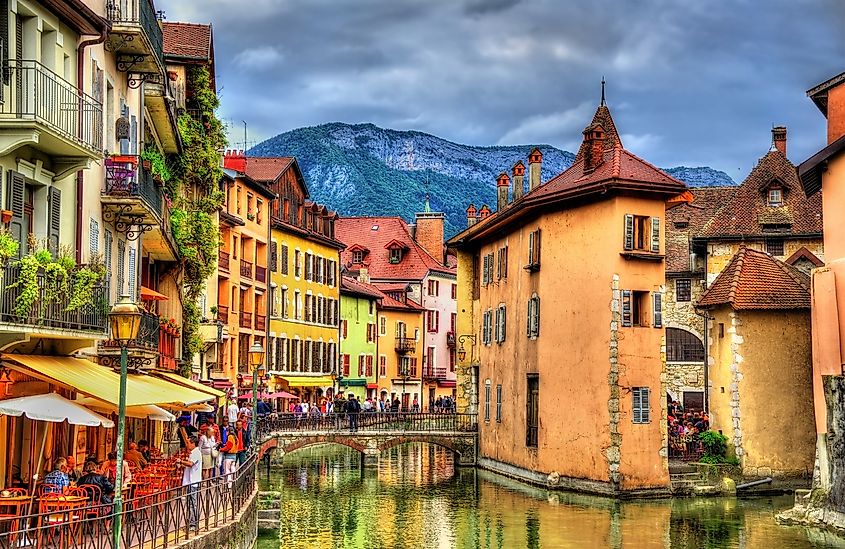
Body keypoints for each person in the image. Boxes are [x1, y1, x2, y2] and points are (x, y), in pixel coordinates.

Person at [178, 436, 202, 532]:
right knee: (189, 503)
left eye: (188, 443)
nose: (187, 445)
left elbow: (191, 464)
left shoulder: (196, 453)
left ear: (193, 443)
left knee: (193, 503)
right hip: (190, 481)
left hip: (193, 482)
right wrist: (183, 464)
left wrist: (181, 461)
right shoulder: (193, 453)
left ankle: (193, 524)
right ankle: (190, 522)